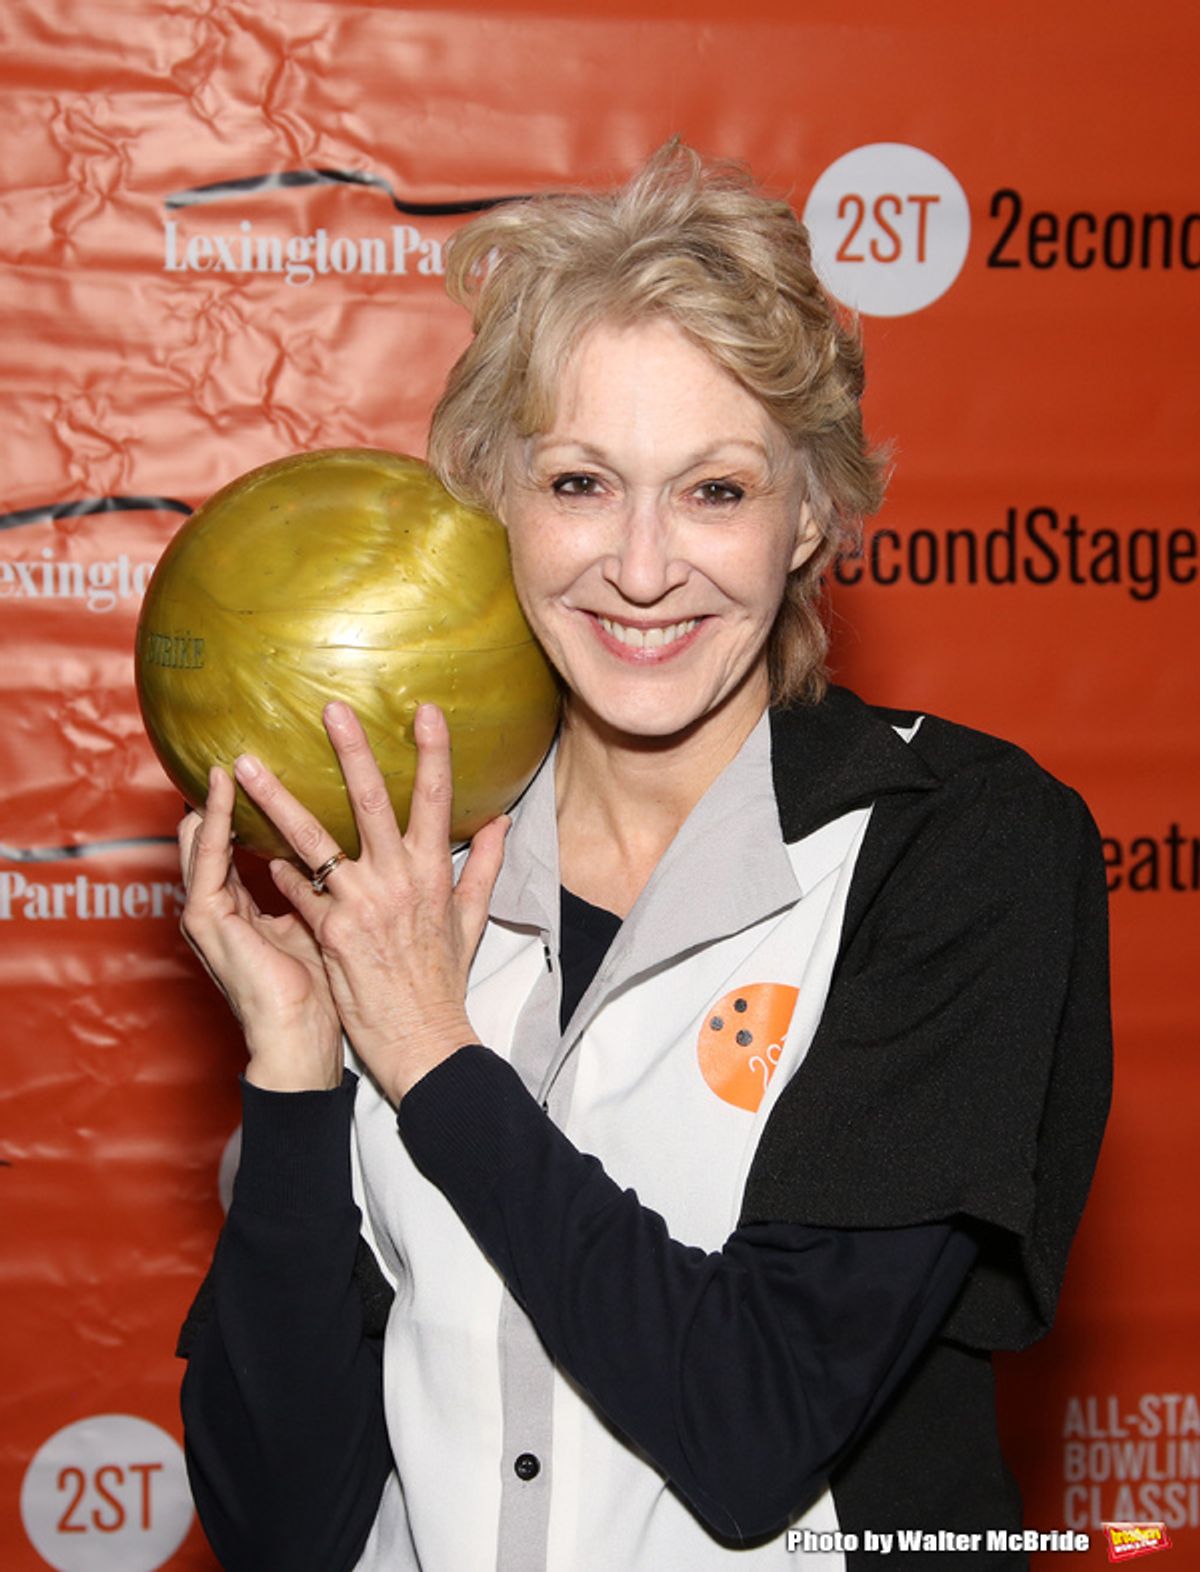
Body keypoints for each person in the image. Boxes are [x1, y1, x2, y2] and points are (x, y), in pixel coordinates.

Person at [174, 139, 1112, 1571]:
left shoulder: (958, 846)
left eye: (716, 491)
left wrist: (430, 1055)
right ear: (492, 500)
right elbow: (279, 1529)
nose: (643, 566)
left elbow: (756, 1424)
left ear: (811, 514)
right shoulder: (405, 879)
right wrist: (300, 1073)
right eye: (581, 483)